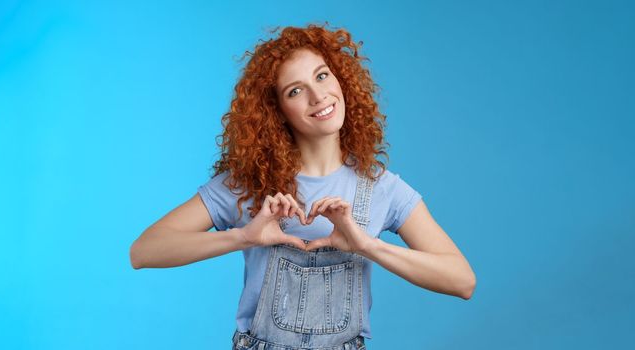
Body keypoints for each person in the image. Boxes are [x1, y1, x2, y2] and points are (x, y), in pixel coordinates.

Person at [129, 23, 475, 350]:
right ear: (277, 111)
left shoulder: (383, 188)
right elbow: (144, 251)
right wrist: (244, 237)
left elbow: (462, 281)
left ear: (341, 81)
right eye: (296, 90)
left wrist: (367, 245)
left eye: (322, 76)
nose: (318, 95)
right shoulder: (248, 185)